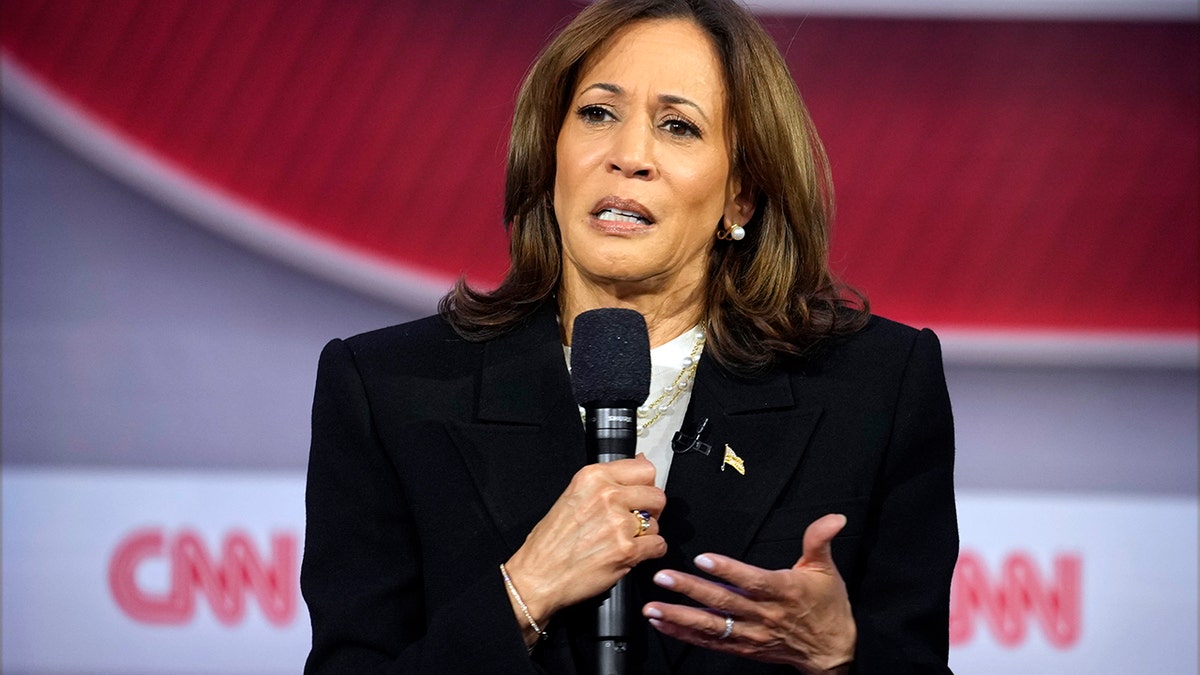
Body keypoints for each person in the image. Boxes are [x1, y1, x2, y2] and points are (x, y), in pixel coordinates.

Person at [301, 0, 957, 672]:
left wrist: (846, 654)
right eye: (597, 113)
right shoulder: (388, 391)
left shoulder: (876, 388)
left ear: (742, 194)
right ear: (550, 150)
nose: (629, 155)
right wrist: (522, 595)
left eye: (678, 126)